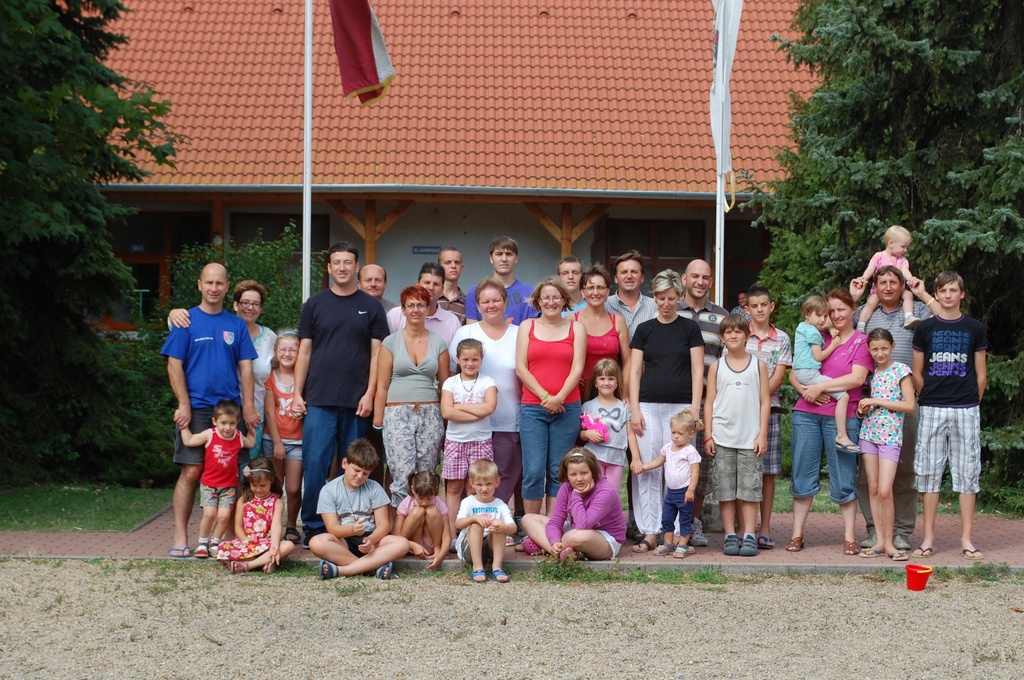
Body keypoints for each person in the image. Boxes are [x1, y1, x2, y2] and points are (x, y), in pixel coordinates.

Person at [293, 242, 389, 548]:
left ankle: (351, 526)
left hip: (356, 402)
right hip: (319, 398)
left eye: (348, 262)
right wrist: (296, 393)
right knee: (316, 464)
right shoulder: (314, 304)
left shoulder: (371, 306)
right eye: (337, 262)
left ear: (356, 267)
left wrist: (370, 393)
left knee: (355, 467)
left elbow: (378, 354)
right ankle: (313, 526)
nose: (342, 267)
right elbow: (304, 351)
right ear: (329, 267)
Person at [161, 263, 258, 558]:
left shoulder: (236, 325)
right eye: (209, 282)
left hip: (230, 412)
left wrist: (249, 407)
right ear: (200, 285)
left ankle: (228, 539)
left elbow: (246, 367)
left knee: (234, 473)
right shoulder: (185, 321)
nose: (214, 288)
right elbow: (174, 364)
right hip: (197, 409)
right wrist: (183, 404)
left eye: (219, 283)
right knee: (191, 471)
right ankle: (181, 535)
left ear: (227, 287)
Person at [850, 265, 931, 550]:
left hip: (905, 399)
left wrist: (922, 293)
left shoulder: (917, 310)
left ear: (902, 285)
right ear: (875, 286)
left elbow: (943, 318)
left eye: (893, 282)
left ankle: (901, 531)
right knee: (868, 476)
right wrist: (853, 298)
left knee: (905, 469)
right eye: (882, 282)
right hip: (871, 401)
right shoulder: (865, 312)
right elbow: (840, 326)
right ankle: (876, 530)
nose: (887, 287)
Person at [787, 288, 872, 555]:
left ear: (853, 310)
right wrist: (805, 391)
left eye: (841, 310)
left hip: (842, 417)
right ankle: (797, 534)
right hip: (806, 414)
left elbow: (857, 379)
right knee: (802, 475)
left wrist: (821, 388)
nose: (835, 315)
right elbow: (794, 372)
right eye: (831, 310)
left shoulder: (861, 342)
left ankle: (849, 537)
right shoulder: (818, 335)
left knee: (844, 476)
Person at [909, 271, 987, 560]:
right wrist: (929, 395)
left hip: (966, 409)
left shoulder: (974, 328)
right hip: (932, 407)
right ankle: (928, 539)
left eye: (953, 290)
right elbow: (917, 372)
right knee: (929, 473)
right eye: (942, 290)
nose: (948, 295)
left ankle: (966, 540)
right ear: (937, 293)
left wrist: (970, 400)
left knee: (967, 472)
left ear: (961, 293)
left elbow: (981, 375)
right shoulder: (925, 328)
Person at [628, 269, 704, 553]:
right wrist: (635, 409)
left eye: (671, 298)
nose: (666, 303)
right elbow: (635, 372)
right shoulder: (644, 329)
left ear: (679, 296)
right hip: (648, 406)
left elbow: (697, 371)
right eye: (661, 298)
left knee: (680, 470)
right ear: (655, 297)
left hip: (681, 408)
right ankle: (650, 531)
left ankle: (678, 533)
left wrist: (694, 410)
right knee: (649, 468)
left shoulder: (690, 329)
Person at [169, 280, 275, 473]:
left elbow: (282, 366)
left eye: (255, 304)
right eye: (245, 302)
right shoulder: (225, 325)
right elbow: (184, 326)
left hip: (253, 412)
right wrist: (172, 313)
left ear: (261, 309)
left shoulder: (270, 338)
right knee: (200, 469)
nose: (250, 307)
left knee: (245, 470)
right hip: (224, 409)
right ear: (235, 304)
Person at [374, 284, 450, 508]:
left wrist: (446, 419)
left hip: (430, 413)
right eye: (411, 305)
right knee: (401, 476)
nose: (416, 310)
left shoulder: (438, 343)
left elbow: (445, 385)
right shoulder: (390, 342)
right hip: (397, 413)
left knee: (426, 477)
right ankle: (400, 526)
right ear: (403, 310)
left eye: (421, 305)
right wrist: (378, 421)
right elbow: (382, 385)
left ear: (428, 309)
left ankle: (424, 524)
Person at [449, 279, 523, 509]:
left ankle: (496, 519)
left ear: (505, 302)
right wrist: (455, 408)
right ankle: (469, 521)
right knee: (472, 480)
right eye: (485, 301)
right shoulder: (465, 333)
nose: (491, 305)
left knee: (503, 475)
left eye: (496, 300)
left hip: (508, 419)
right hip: (469, 424)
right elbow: (452, 375)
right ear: (478, 305)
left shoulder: (519, 333)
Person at [516, 277, 587, 515]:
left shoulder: (576, 328)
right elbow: (521, 368)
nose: (551, 302)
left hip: (567, 408)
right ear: (538, 301)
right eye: (545, 297)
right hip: (533, 408)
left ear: (564, 300)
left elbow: (577, 368)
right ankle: (532, 526)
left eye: (556, 297)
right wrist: (546, 397)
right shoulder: (527, 326)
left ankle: (553, 526)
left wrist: (559, 398)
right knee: (533, 471)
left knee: (559, 470)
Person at [704, 314, 771, 557]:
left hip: (750, 439)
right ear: (722, 338)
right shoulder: (717, 366)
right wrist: (708, 435)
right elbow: (709, 402)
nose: (733, 335)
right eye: (728, 332)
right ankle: (730, 535)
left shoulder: (758, 365)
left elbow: (765, 402)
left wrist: (762, 434)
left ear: (746, 335)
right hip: (722, 437)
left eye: (738, 331)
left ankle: (750, 535)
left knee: (749, 489)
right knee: (725, 490)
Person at [676, 258, 728, 548]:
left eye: (705, 277)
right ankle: (670, 522)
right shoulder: (671, 309)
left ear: (710, 281)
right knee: (674, 460)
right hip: (673, 398)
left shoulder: (721, 317)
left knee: (702, 464)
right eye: (694, 276)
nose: (700, 282)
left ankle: (693, 521)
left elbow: (726, 360)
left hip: (709, 401)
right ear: (684, 279)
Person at [312, 438, 409, 580]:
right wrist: (352, 530)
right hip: (343, 541)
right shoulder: (328, 490)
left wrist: (371, 540)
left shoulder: (374, 487)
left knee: (402, 543)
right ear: (345, 463)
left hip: (372, 540)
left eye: (365, 474)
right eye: (356, 470)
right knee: (316, 542)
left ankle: (342, 570)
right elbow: (332, 528)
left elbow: (383, 524)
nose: (359, 477)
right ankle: (372, 568)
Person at [857, 328, 915, 561]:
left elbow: (909, 405)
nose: (879, 353)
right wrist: (865, 408)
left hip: (890, 437)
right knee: (872, 487)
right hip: (868, 434)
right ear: (869, 350)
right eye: (874, 349)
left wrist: (877, 401)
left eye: (884, 348)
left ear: (892, 347)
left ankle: (890, 543)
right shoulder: (871, 374)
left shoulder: (901, 370)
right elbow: (868, 406)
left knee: (884, 490)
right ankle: (879, 542)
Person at [743, 285, 792, 550]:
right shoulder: (740, 333)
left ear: (772, 306)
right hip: (740, 411)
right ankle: (744, 527)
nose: (760, 309)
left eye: (764, 304)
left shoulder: (781, 338)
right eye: (754, 306)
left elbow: (779, 376)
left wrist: (759, 401)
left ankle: (765, 527)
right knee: (742, 468)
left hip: (769, 411)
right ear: (747, 309)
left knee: (768, 472)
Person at [180, 398, 257, 558]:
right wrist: (183, 426)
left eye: (232, 423)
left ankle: (215, 543)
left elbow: (250, 443)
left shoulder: (238, 436)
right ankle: (202, 543)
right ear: (215, 421)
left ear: (237, 423)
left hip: (228, 486)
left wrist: (251, 428)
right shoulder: (210, 434)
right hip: (209, 485)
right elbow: (189, 440)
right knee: (210, 514)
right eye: (223, 423)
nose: (227, 428)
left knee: (224, 516)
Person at [520, 449, 626, 561]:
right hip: (574, 529)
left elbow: (583, 525)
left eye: (584, 473)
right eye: (573, 474)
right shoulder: (566, 487)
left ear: (593, 472)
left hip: (604, 537)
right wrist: (554, 541)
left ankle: (549, 546)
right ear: (567, 475)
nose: (579, 479)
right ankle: (556, 550)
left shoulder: (606, 492)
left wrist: (576, 495)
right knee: (528, 519)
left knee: (576, 537)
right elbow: (556, 521)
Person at [440, 338, 498, 540]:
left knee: (475, 486)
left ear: (481, 360)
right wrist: (477, 412)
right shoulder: (451, 383)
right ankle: (451, 534)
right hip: (455, 441)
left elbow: (489, 407)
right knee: (454, 487)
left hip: (481, 442)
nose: (470, 363)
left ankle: (475, 533)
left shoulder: (487, 382)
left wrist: (460, 406)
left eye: (475, 359)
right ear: (458, 359)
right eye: (465, 359)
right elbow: (447, 412)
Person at [635, 409, 702, 558]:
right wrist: (644, 467)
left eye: (680, 433)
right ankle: (668, 544)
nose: (676, 436)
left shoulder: (690, 451)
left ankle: (682, 545)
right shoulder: (667, 448)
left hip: (684, 492)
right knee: (667, 519)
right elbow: (657, 462)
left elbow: (695, 472)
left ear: (690, 434)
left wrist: (691, 490)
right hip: (671, 493)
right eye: (673, 432)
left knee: (684, 520)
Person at [793, 295, 856, 452]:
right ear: (807, 314)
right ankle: (841, 435)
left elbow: (821, 325)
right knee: (843, 396)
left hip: (800, 372)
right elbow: (819, 356)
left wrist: (829, 328)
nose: (823, 320)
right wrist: (834, 345)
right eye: (819, 315)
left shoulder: (802, 327)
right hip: (810, 374)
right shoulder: (814, 334)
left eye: (825, 316)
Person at [215, 456, 295, 573]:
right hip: (247, 543)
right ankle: (265, 562)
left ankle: (248, 565)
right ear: (249, 482)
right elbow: (238, 527)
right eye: (254, 485)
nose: (258, 490)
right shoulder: (243, 501)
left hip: (266, 544)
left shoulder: (276, 502)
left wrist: (274, 545)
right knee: (222, 547)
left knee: (288, 545)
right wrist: (247, 542)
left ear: (271, 480)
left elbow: (276, 525)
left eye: (263, 485)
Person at [262, 331, 304, 545]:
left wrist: (302, 411)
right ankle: (273, 526)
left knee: (294, 488)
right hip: (273, 440)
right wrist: (277, 442)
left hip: (297, 441)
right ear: (276, 352)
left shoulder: (303, 377)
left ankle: (291, 525)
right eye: (283, 349)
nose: (287, 354)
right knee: (275, 486)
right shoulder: (271, 377)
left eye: (293, 350)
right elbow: (269, 413)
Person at [580, 358, 638, 494]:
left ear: (617, 383)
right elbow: (581, 434)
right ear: (595, 383)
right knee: (594, 493)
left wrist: (635, 458)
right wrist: (587, 434)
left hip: (616, 459)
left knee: (611, 494)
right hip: (594, 457)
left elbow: (630, 434)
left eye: (611, 379)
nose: (606, 383)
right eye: (602, 379)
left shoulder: (624, 407)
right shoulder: (588, 406)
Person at [454, 459, 517, 583]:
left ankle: (497, 567)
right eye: (479, 484)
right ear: (472, 483)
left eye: (489, 484)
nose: (484, 488)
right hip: (469, 550)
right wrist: (474, 518)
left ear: (497, 482)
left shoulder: (500, 504)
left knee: (498, 524)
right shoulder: (468, 502)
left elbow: (513, 527)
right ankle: (477, 567)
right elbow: (458, 523)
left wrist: (504, 528)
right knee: (476, 525)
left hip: (490, 549)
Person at [574, 264, 631, 390]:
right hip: (577, 393)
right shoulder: (572, 320)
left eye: (600, 287)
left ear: (607, 291)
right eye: (590, 288)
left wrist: (625, 391)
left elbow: (628, 362)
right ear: (582, 292)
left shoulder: (618, 321)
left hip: (610, 392)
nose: (595, 292)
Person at [856, 225, 920, 332]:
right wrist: (863, 278)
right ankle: (861, 325)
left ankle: (908, 316)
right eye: (903, 246)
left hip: (898, 290)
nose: (905, 250)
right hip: (878, 291)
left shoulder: (902, 260)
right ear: (891, 243)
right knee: (871, 303)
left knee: (908, 295)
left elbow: (905, 271)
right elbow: (871, 268)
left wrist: (911, 279)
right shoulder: (879, 256)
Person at [465, 236, 539, 325]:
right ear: (491, 258)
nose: (504, 259)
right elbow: (471, 330)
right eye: (499, 254)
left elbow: (532, 329)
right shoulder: (475, 292)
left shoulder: (531, 293)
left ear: (516, 258)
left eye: (509, 254)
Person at [386, 262, 461, 345]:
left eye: (436, 284)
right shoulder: (395, 316)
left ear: (442, 289)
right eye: (427, 282)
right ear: (417, 284)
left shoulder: (452, 322)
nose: (431, 288)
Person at [394, 470, 450, 570]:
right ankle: (405, 546)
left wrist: (441, 555)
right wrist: (411, 545)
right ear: (413, 490)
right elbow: (396, 533)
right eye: (420, 498)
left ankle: (436, 547)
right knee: (418, 511)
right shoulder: (406, 503)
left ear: (435, 489)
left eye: (429, 498)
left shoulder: (440, 504)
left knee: (432, 510)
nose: (424, 503)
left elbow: (446, 536)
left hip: (431, 545)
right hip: (410, 544)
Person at [604, 249, 657, 337]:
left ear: (642, 277)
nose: (629, 276)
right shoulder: (605, 306)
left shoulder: (654, 306)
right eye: (624, 272)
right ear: (616, 278)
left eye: (634, 272)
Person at [437, 247, 467, 324]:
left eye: (457, 262)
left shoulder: (467, 301)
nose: (453, 266)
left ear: (461, 268)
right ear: (439, 268)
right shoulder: (431, 298)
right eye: (448, 262)